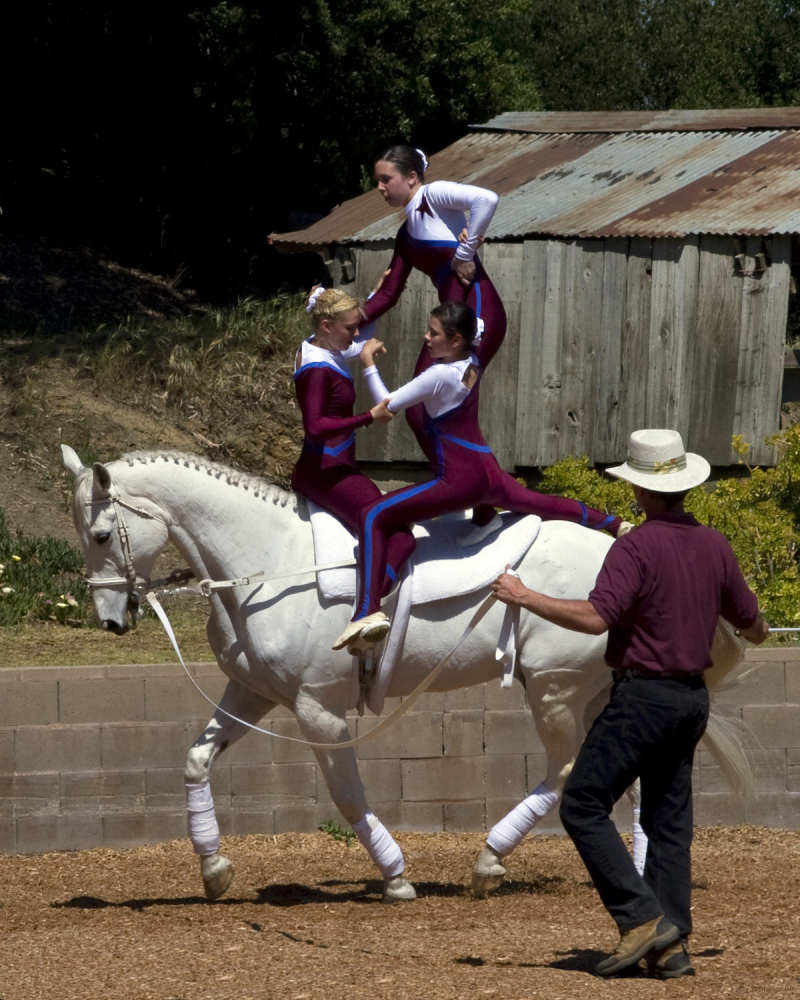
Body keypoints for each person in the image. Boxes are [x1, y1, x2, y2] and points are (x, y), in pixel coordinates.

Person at [490, 429, 768, 980]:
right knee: (668, 821)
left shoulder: (635, 546)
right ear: (683, 485)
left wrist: (525, 597)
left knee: (583, 803)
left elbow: (597, 617)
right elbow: (754, 627)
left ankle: (641, 918)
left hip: (643, 697)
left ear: (639, 491)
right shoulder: (714, 545)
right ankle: (671, 946)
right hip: (692, 700)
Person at [332, 301, 626, 653]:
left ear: (456, 339)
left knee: (371, 514)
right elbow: (482, 323)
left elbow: (385, 406)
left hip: (458, 480)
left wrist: (366, 362)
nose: (426, 337)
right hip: (488, 471)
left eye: (433, 333)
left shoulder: (439, 376)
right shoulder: (473, 359)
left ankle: (368, 611)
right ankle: (614, 524)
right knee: (540, 502)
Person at [362, 145, 506, 542]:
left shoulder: (434, 194)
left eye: (385, 179)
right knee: (421, 412)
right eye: (377, 180)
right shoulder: (406, 234)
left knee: (440, 411)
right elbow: (388, 293)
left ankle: (479, 500)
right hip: (453, 322)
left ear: (411, 178)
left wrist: (465, 251)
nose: (379, 188)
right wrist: (342, 322)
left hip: (477, 320)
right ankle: (479, 496)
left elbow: (486, 199)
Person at [291, 287, 415, 605]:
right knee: (399, 535)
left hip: (335, 468)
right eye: (350, 328)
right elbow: (315, 427)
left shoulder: (322, 348)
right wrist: (368, 417)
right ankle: (370, 606)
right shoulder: (317, 369)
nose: (357, 333)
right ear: (326, 326)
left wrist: (389, 279)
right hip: (324, 472)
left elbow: (375, 310)